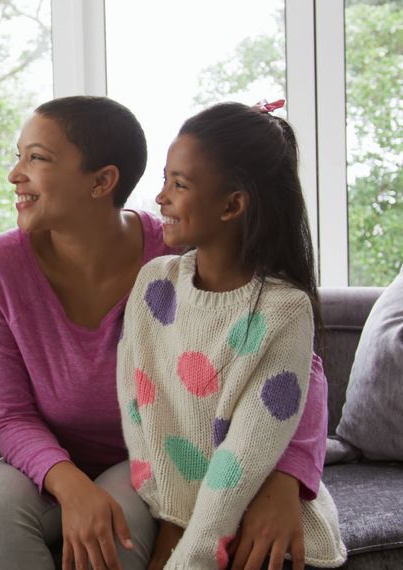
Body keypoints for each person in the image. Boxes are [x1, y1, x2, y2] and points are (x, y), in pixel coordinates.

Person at [0, 96, 330, 570]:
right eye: (19, 155)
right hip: (47, 461)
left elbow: (297, 363)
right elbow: (10, 415)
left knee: (117, 524)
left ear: (102, 181)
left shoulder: (175, 251)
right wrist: (71, 486)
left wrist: (285, 479)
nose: (14, 174)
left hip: (157, 463)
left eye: (37, 158)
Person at [117, 101, 346, 569]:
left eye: (178, 184)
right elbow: (139, 408)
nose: (160, 197)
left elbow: (243, 457)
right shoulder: (155, 285)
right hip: (174, 507)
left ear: (233, 204)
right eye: (164, 180)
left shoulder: (282, 311)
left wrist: (191, 556)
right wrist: (171, 518)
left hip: (251, 506)